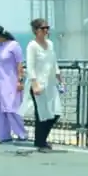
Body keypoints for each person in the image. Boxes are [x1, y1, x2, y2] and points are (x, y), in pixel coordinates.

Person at [24, 18, 63, 152]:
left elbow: (53, 61)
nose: (46, 30)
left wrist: (58, 75)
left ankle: (41, 140)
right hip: (38, 84)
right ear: (36, 30)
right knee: (42, 114)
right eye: (43, 28)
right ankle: (40, 142)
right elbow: (30, 66)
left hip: (50, 84)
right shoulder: (32, 46)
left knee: (55, 113)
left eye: (47, 28)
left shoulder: (50, 44)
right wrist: (34, 84)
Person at [0, 25, 27, 143]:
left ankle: (21, 134)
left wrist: (20, 80)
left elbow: (20, 64)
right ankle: (3, 135)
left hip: (10, 81)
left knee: (11, 108)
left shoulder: (14, 45)